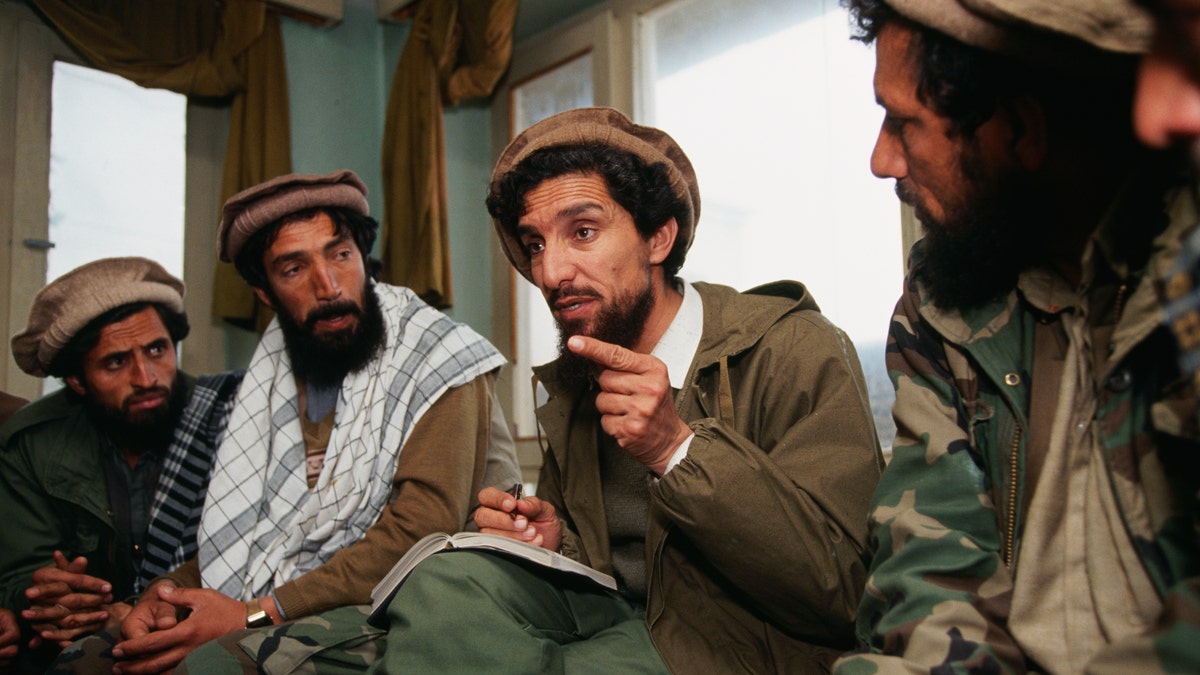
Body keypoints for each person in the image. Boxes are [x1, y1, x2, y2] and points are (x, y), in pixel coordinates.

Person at [358, 107, 884, 674]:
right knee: (439, 580)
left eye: (582, 232)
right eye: (535, 244)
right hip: (618, 618)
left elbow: (848, 592)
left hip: (740, 646)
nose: (551, 271)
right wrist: (554, 544)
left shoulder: (795, 350)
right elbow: (612, 565)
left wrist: (675, 450)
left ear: (658, 237)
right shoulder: (583, 374)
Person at [835, 0, 1200, 672]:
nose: (882, 160)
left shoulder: (1182, 276)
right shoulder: (941, 307)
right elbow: (926, 569)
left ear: (1024, 129)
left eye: (904, 123)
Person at [55, 169, 520, 674]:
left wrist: (254, 614)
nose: (329, 285)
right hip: (284, 601)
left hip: (406, 598)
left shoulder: (439, 358)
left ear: (362, 258)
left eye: (340, 254)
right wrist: (160, 597)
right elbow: (247, 533)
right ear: (265, 294)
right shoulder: (271, 377)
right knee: (89, 658)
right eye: (294, 269)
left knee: (198, 668)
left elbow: (420, 533)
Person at [0, 257, 243, 672]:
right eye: (116, 362)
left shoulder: (230, 417)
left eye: (157, 350)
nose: (146, 377)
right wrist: (48, 598)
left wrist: (134, 610)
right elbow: (19, 574)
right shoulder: (33, 442)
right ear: (77, 380)